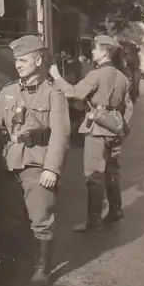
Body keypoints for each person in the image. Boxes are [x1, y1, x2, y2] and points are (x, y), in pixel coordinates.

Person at [0, 35, 71, 286]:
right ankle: (9, 264)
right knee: (10, 218)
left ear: (39, 60)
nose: (18, 64)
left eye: (23, 60)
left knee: (41, 219)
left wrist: (51, 169)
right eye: (16, 60)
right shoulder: (8, 92)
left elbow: (60, 135)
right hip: (11, 163)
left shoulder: (54, 94)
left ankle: (41, 270)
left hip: (38, 164)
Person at [49, 34, 133, 232]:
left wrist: (56, 77)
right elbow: (128, 106)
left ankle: (94, 220)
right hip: (115, 128)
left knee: (94, 175)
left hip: (97, 129)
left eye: (95, 48)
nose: (92, 52)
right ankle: (115, 209)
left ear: (104, 52)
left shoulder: (96, 75)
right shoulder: (122, 77)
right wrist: (123, 127)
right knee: (112, 171)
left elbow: (73, 92)